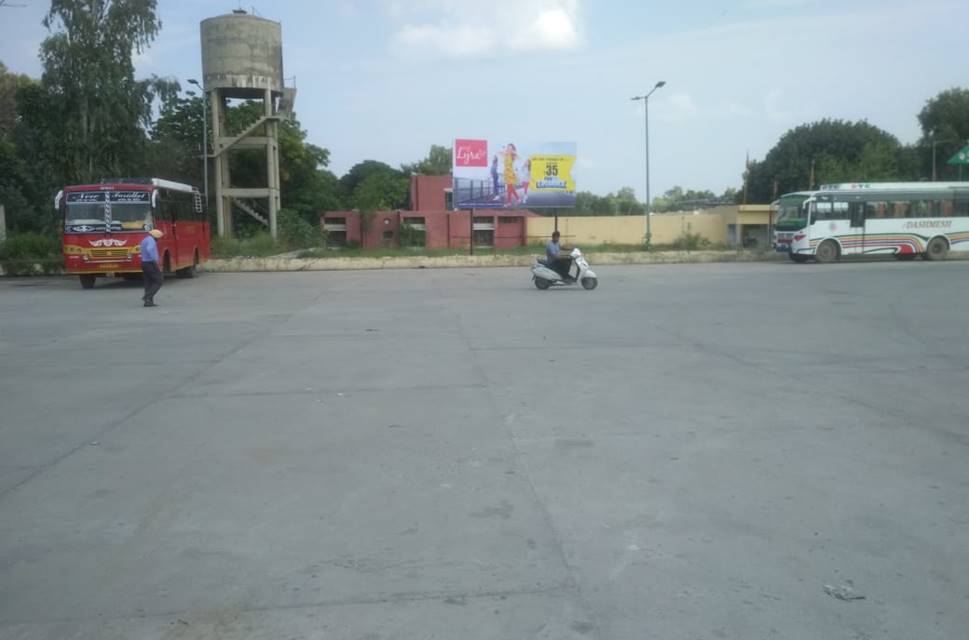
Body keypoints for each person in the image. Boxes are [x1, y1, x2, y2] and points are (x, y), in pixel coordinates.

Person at [140, 228, 164, 307]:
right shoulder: (151, 240)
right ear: (155, 237)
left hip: (144, 263)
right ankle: (147, 296)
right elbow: (150, 249)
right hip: (150, 263)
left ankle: (148, 302)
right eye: (158, 238)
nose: (158, 239)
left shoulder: (144, 240)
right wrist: (155, 259)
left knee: (148, 282)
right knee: (159, 281)